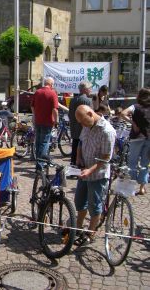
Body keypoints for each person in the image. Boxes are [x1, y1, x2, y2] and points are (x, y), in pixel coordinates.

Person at [74, 105, 116, 246]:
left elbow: (105, 158)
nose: (82, 125)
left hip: (98, 174)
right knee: (80, 201)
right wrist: (79, 157)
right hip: (84, 171)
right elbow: (81, 142)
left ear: (90, 114)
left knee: (95, 205)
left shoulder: (107, 131)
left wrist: (90, 170)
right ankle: (77, 228)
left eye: (83, 121)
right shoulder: (87, 124)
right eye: (80, 122)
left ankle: (91, 232)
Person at [123, 88, 150, 195]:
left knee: (132, 162)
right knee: (145, 163)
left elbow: (123, 113)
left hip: (137, 137)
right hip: (148, 137)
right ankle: (142, 188)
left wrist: (132, 122)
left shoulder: (135, 106)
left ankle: (132, 187)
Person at [31, 77, 59, 170]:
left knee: (38, 142)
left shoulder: (38, 92)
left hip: (38, 121)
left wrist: (34, 117)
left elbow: (32, 106)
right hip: (47, 122)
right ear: (51, 84)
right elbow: (55, 109)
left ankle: (39, 161)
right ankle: (40, 164)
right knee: (44, 143)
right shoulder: (52, 93)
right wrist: (56, 120)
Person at [68, 81, 93, 166]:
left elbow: (70, 114)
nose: (91, 90)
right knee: (82, 148)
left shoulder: (73, 100)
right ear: (85, 90)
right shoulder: (87, 100)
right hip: (83, 127)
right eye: (90, 88)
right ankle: (79, 165)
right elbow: (90, 116)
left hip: (74, 127)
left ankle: (73, 165)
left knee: (74, 147)